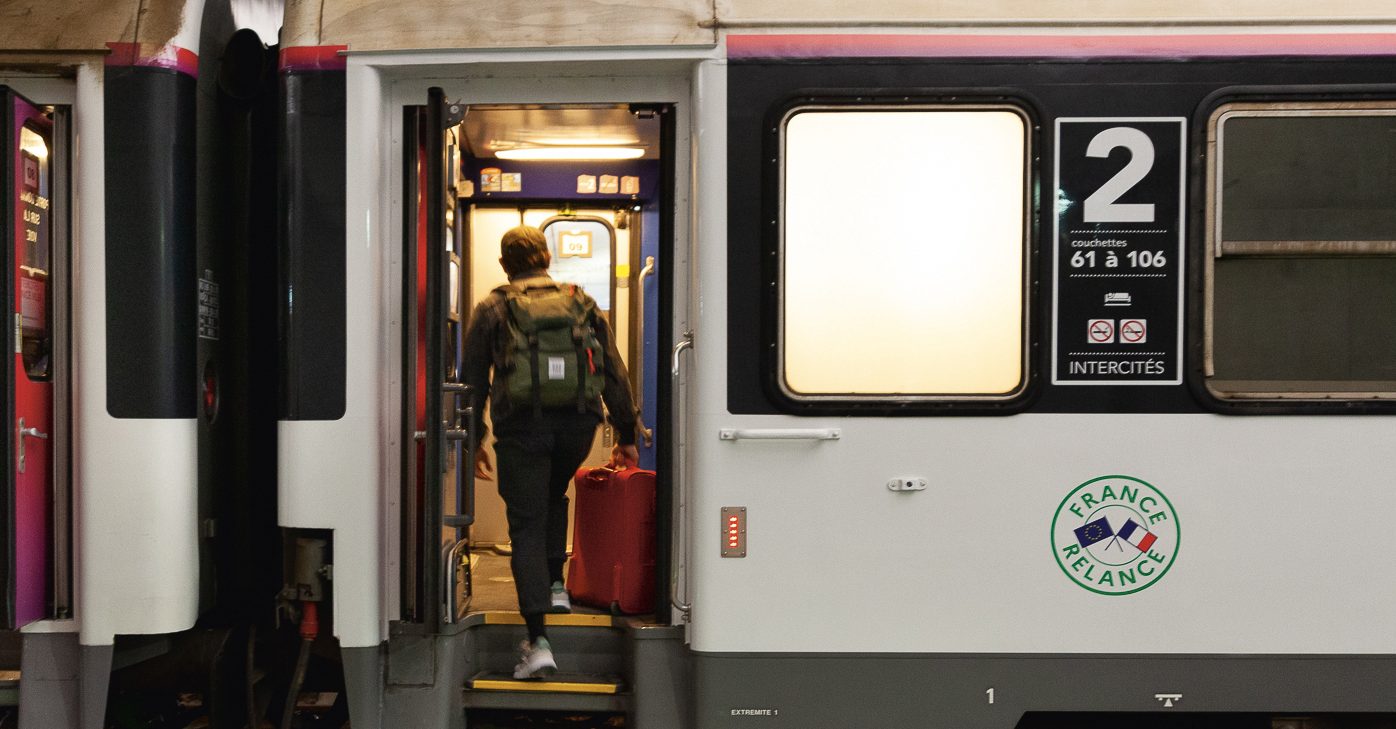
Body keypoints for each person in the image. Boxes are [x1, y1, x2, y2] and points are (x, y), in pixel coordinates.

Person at [462, 224, 640, 679]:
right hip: (579, 424)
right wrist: (625, 433)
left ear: (506, 265)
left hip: (522, 427)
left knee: (525, 522)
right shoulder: (581, 301)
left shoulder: (492, 306)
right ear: (546, 256)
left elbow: (474, 382)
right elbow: (614, 369)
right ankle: (556, 583)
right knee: (553, 495)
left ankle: (537, 639)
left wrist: (474, 438)